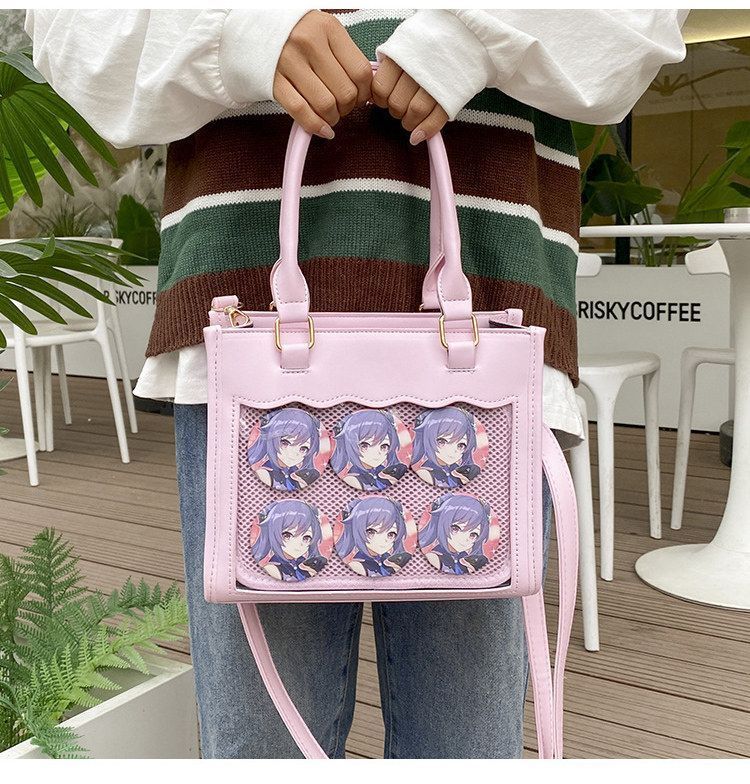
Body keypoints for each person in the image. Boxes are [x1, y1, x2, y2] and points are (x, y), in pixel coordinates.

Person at [25, 9, 689, 758]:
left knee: (463, 749)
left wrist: (473, 32)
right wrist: (242, 32)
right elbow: (71, 28)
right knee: (265, 752)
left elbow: (640, 20)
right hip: (268, 328)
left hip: (478, 330)